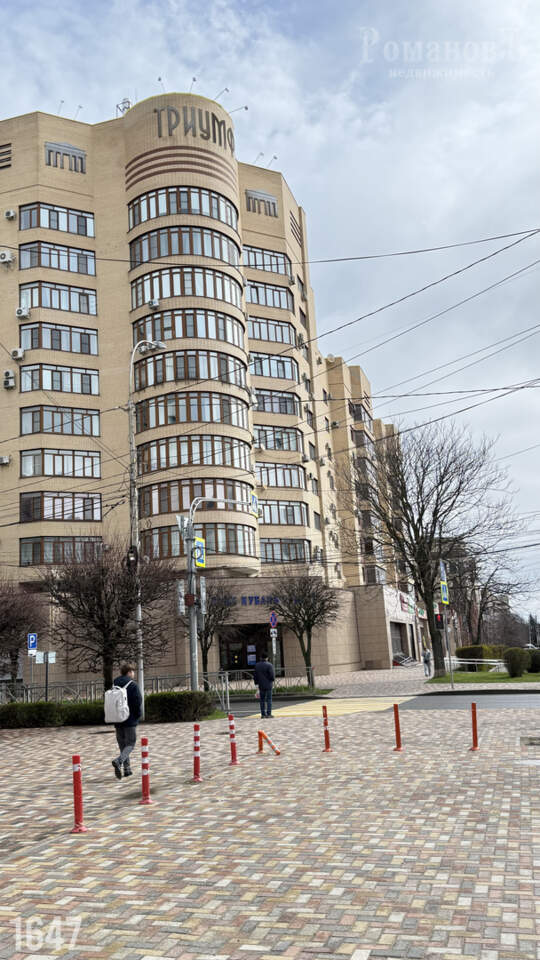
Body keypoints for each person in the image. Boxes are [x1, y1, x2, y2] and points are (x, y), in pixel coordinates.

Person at [111, 663, 142, 779]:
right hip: (129, 719)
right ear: (129, 672)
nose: (133, 673)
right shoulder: (133, 685)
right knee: (130, 744)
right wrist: (137, 716)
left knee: (122, 745)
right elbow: (138, 702)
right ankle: (119, 761)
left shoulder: (114, 684)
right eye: (132, 671)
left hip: (117, 719)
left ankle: (127, 769)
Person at [253, 653, 275, 719]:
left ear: (260, 658)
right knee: (269, 700)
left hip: (261, 685)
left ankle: (263, 714)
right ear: (267, 658)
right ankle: (269, 714)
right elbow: (272, 676)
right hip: (268, 685)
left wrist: (256, 684)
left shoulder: (257, 665)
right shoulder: (269, 665)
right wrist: (272, 681)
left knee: (262, 700)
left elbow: (255, 676)